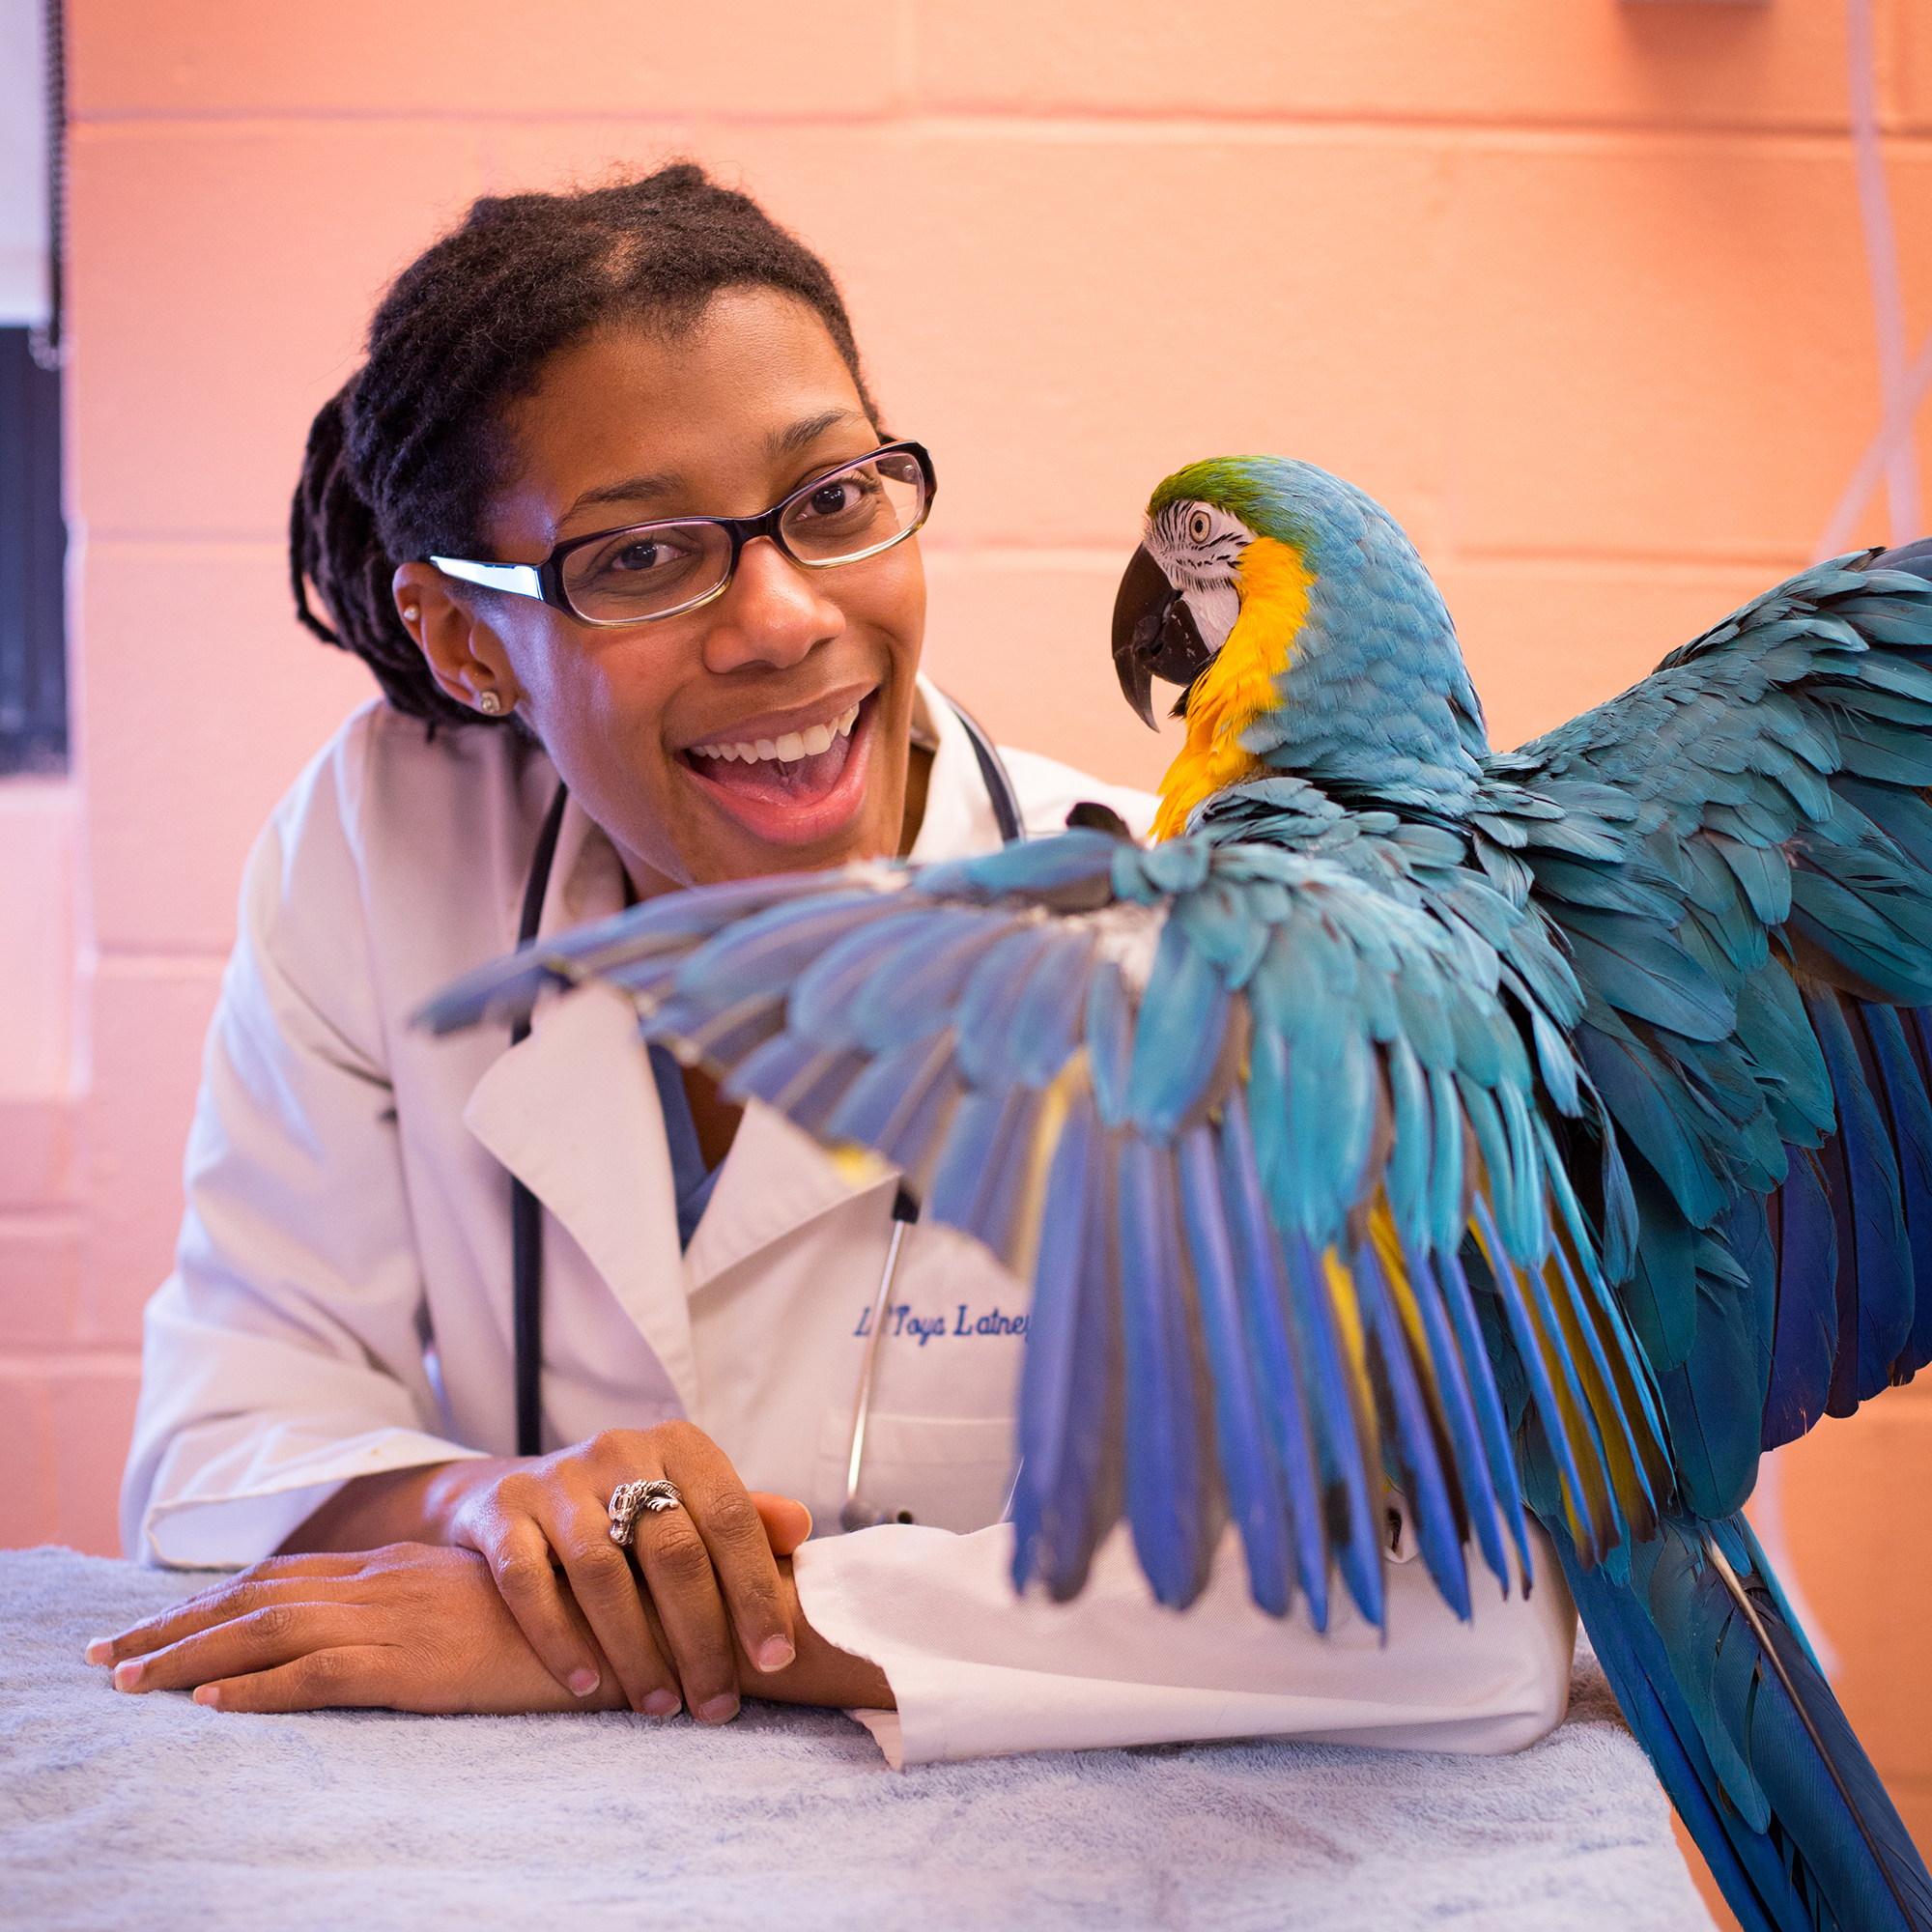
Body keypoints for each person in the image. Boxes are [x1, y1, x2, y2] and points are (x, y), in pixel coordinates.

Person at [94, 166, 1575, 1769]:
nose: (783, 619)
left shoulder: (1192, 952)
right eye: (643, 560)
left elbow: (1466, 1617)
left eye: (833, 501)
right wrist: (495, 1506)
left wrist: (672, 1618)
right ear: (464, 640)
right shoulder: (388, 848)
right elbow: (219, 1440)